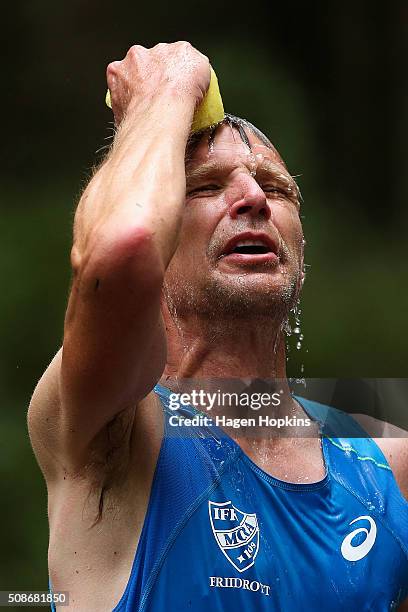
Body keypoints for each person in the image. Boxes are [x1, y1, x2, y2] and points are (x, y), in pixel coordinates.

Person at [28, 42, 408, 611]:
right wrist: (166, 88)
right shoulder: (112, 429)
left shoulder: (387, 464)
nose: (253, 198)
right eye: (206, 187)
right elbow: (118, 248)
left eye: (277, 189)